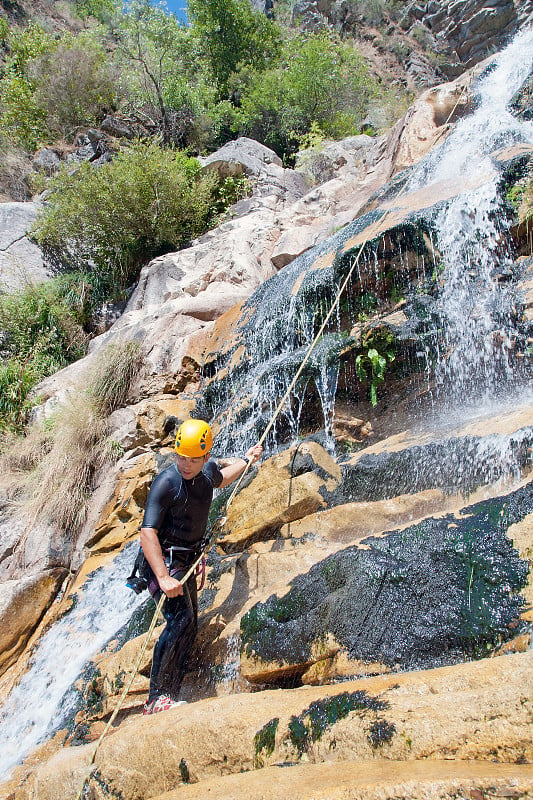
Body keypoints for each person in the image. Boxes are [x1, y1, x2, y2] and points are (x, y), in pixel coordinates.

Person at [139, 417, 262, 715]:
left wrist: (247, 460)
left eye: (193, 459)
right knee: (179, 618)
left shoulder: (207, 472)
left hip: (188, 558)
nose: (185, 464)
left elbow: (223, 477)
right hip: (163, 561)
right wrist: (164, 577)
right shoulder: (166, 483)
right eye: (181, 457)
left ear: (206, 458)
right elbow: (147, 533)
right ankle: (156, 697)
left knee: (190, 622)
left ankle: (173, 691)